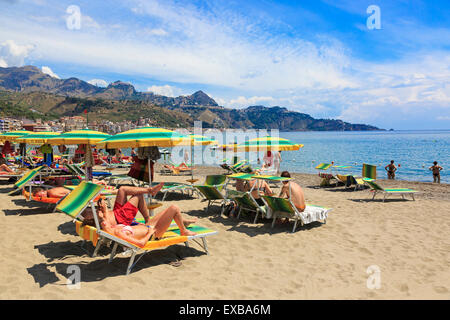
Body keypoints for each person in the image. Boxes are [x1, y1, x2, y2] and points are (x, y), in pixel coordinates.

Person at [82, 197, 197, 247]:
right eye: (101, 215)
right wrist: (149, 232)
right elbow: (141, 243)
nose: (103, 215)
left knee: (170, 210)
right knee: (174, 208)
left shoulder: (109, 227)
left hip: (147, 226)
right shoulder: (118, 233)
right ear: (103, 224)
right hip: (153, 233)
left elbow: (105, 219)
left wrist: (104, 209)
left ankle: (183, 224)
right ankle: (183, 230)